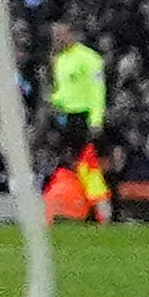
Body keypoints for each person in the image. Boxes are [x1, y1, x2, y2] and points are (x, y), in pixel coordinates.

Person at [44, 18, 111, 219]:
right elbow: (64, 92)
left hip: (83, 119)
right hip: (66, 119)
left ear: (71, 33)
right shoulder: (60, 59)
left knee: (88, 168)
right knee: (76, 168)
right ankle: (78, 211)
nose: (56, 38)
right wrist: (53, 100)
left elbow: (97, 91)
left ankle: (103, 212)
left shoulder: (90, 58)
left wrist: (96, 121)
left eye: (60, 33)